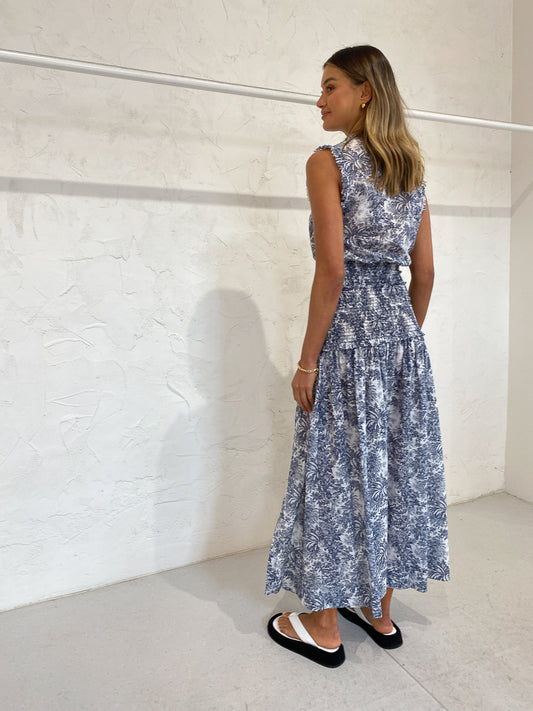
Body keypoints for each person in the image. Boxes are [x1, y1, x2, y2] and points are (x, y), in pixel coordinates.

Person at [264, 45, 450, 668]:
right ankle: (379, 608)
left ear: (365, 91)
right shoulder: (410, 168)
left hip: (346, 337)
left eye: (330, 86)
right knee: (394, 467)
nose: (319, 100)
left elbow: (333, 269)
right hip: (402, 337)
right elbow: (425, 273)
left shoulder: (328, 163)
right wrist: (402, 342)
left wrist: (308, 361)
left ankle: (322, 624)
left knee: (335, 471)